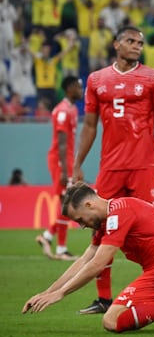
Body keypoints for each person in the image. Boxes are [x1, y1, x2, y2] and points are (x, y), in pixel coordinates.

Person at [73, 26, 154, 315]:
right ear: (116, 44)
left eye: (140, 43)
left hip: (145, 165)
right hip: (111, 167)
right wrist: (78, 164)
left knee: (150, 230)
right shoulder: (96, 80)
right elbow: (90, 125)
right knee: (100, 229)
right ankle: (103, 298)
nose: (136, 46)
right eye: (130, 41)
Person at [22, 182, 154, 334]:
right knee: (116, 318)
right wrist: (49, 292)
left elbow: (97, 265)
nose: (82, 226)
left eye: (80, 219)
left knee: (112, 320)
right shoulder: (109, 217)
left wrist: (61, 293)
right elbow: (85, 260)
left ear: (89, 205)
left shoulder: (120, 214)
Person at [35, 76, 83, 261]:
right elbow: (62, 144)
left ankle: (48, 237)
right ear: (69, 88)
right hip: (60, 161)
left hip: (67, 161)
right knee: (67, 202)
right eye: (79, 87)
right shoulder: (63, 111)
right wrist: (64, 170)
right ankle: (60, 248)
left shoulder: (70, 109)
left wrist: (75, 166)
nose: (81, 90)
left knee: (68, 203)